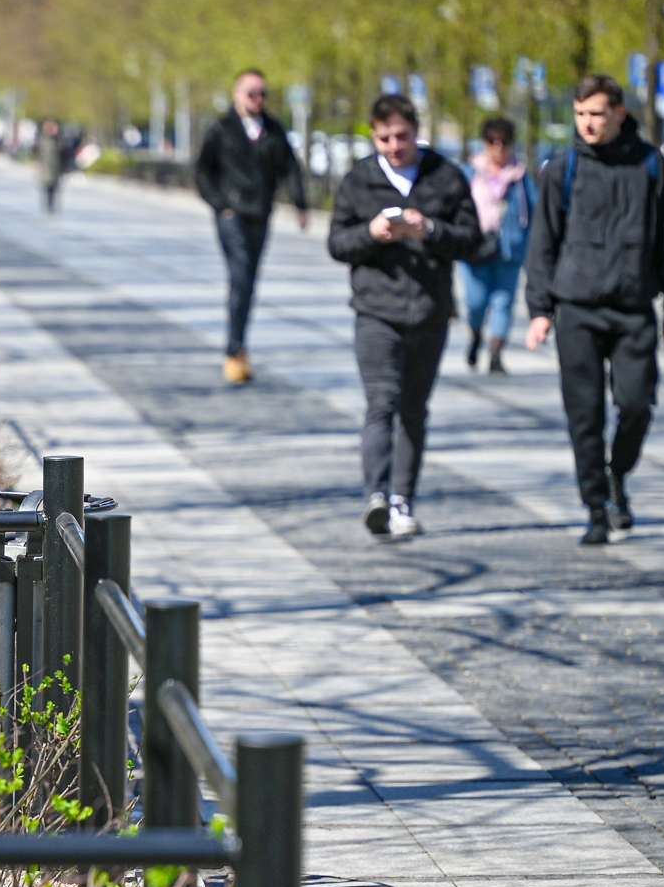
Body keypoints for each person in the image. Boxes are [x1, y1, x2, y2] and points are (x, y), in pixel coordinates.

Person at [524, 74, 664, 546]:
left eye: (597, 113)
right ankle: (596, 508)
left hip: (633, 308)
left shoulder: (651, 166)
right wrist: (540, 309)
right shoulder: (562, 169)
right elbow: (543, 243)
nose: (588, 123)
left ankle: (618, 475)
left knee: (637, 404)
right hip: (576, 309)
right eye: (580, 114)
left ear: (619, 113)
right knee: (585, 416)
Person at [327, 93, 482, 540]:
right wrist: (371, 234)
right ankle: (376, 496)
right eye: (385, 138)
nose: (395, 146)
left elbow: (472, 240)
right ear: (373, 137)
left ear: (417, 133)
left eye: (402, 136)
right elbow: (337, 243)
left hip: (429, 311)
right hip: (376, 310)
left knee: (414, 410)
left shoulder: (446, 177)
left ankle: (403, 499)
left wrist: (429, 230)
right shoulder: (359, 181)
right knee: (382, 403)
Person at [194, 69, 309, 386]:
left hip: (261, 213)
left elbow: (290, 168)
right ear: (236, 95)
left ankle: (239, 345)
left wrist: (300, 203)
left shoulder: (273, 130)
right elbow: (203, 171)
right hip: (232, 216)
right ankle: (234, 350)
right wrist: (221, 205)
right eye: (251, 93)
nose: (257, 100)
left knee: (247, 281)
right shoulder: (221, 128)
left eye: (262, 94)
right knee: (241, 275)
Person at [460, 117, 537, 375]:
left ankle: (495, 353)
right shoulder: (469, 173)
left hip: (509, 249)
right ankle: (475, 334)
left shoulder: (521, 177)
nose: (499, 148)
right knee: (476, 302)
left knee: (504, 302)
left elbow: (535, 212)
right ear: (485, 143)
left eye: (504, 143)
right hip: (475, 249)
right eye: (493, 142)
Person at [38, 119, 70, 213]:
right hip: (46, 169)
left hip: (56, 169)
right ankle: (49, 205)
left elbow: (64, 154)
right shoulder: (43, 140)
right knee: (48, 188)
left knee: (55, 188)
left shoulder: (58, 140)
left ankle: (51, 205)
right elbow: (39, 154)